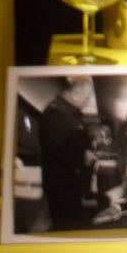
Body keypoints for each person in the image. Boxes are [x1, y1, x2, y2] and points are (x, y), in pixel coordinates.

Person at [38, 76, 95, 231]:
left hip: (70, 184)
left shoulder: (69, 112)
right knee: (66, 226)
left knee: (71, 224)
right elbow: (54, 150)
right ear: (75, 94)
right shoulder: (56, 112)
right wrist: (83, 156)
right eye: (87, 97)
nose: (89, 102)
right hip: (62, 186)